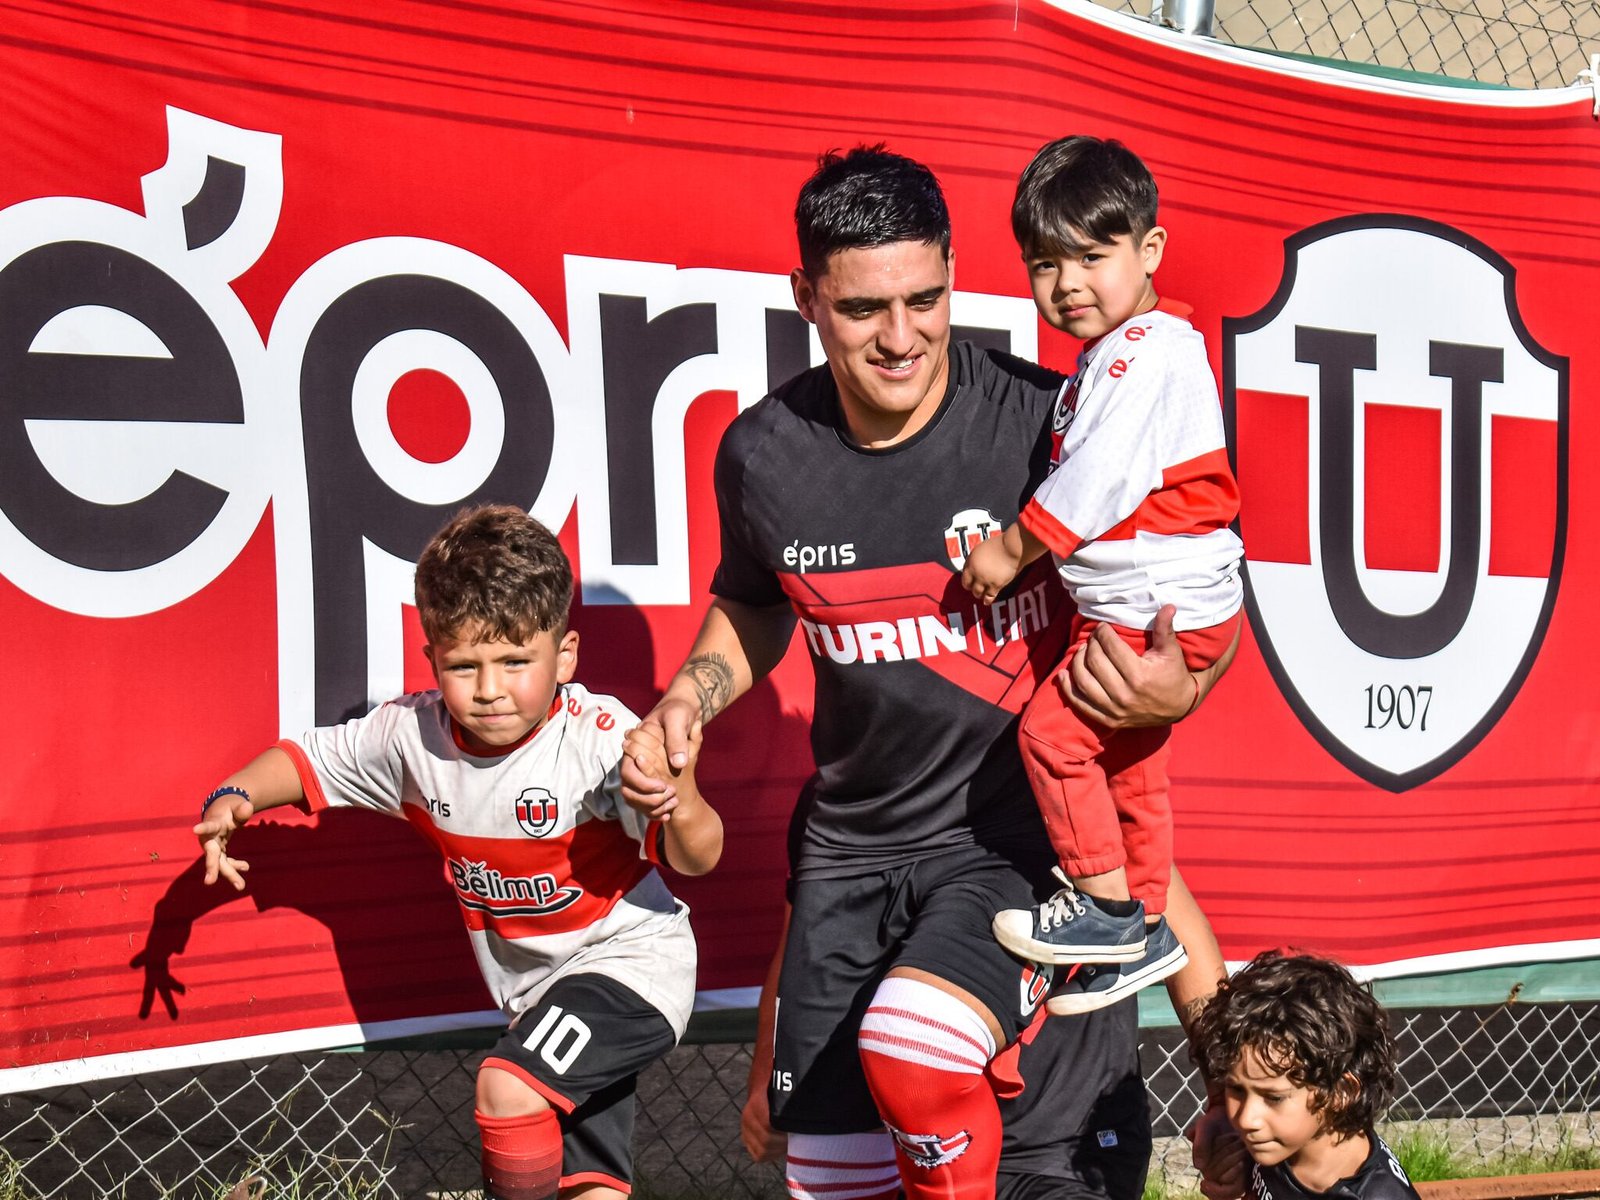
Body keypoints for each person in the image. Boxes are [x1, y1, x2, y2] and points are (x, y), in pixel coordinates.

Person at [622, 144, 1237, 1200]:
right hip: (850, 868)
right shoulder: (763, 456)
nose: (901, 338)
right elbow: (753, 606)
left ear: (955, 274)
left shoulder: (1050, 428)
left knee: (923, 1051)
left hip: (1016, 857)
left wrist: (1184, 688)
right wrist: (691, 694)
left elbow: (1195, 575)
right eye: (864, 310)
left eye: (925, 300)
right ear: (806, 298)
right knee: (829, 1179)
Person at [191, 505, 722, 1200]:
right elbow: (306, 759)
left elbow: (698, 858)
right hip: (536, 996)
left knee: (507, 1087)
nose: (490, 689)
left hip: (633, 966)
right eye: (464, 666)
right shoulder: (409, 738)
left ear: (564, 656)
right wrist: (233, 795)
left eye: (515, 661)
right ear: (432, 660)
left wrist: (679, 795)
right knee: (587, 1185)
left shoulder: (598, 740)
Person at [962, 136, 1244, 1013]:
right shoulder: (1131, 349)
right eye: (1045, 263)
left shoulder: (1140, 352)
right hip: (1153, 604)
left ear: (1149, 250)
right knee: (1129, 767)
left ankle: (1105, 909)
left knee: (1051, 741)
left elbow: (1095, 479)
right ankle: (1145, 924)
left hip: (1149, 605)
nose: (1068, 282)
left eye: (1092, 256)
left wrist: (1010, 550)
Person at [1189, 951, 1419, 1200]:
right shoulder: (1286, 1140)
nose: (1246, 1119)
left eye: (1274, 1098)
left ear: (1341, 1092)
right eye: (1236, 1089)